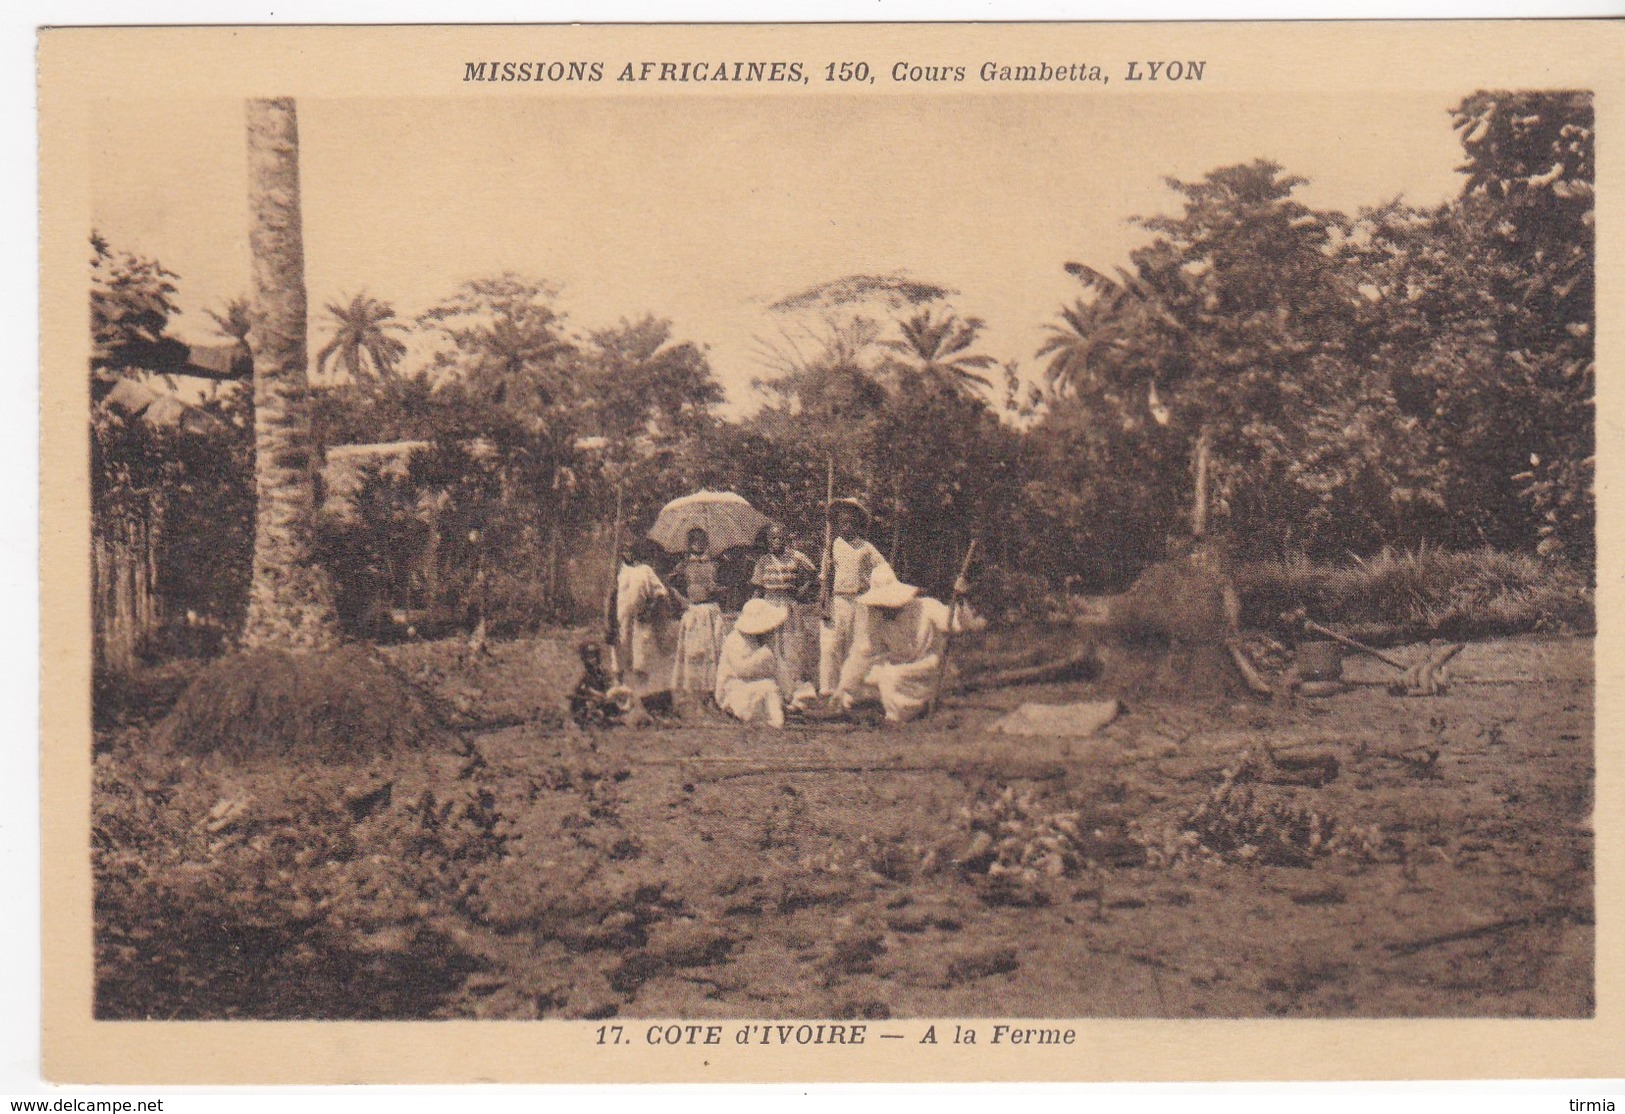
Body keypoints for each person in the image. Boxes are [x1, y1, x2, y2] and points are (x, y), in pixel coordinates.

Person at [834, 568, 981, 723]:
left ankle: (898, 717)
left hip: (926, 667)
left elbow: (956, 625)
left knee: (889, 676)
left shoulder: (926, 606)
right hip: (898, 667)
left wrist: (961, 598)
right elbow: (863, 653)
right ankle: (894, 704)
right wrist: (843, 688)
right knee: (867, 680)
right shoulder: (877, 619)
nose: (883, 609)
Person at [818, 499, 895, 694]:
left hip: (860, 600)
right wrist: (823, 600)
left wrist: (875, 584)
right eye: (843, 522)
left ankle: (851, 687)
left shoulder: (866, 548)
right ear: (837, 524)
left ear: (858, 525)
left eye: (851, 523)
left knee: (856, 644)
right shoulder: (833, 545)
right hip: (838, 600)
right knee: (832, 643)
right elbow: (825, 577)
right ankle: (828, 688)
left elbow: (883, 568)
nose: (847, 527)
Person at [751, 523, 819, 696]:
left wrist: (804, 587)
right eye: (772, 538)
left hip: (789, 604)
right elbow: (758, 588)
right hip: (769, 604)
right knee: (771, 644)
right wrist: (751, 608)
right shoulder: (763, 561)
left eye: (780, 537)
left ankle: (792, 686)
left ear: (785, 539)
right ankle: (773, 686)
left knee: (791, 645)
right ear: (768, 541)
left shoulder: (795, 557)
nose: (776, 541)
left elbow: (814, 572)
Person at [612, 538, 678, 712]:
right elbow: (610, 597)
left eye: (631, 549)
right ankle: (620, 700)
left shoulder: (645, 570)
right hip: (620, 621)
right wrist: (609, 622)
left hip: (640, 622)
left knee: (640, 660)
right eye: (625, 549)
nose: (628, 553)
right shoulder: (617, 570)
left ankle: (641, 698)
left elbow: (660, 593)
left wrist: (649, 608)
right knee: (619, 659)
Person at [714, 598, 794, 727]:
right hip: (735, 687)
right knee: (767, 687)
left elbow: (778, 666)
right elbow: (742, 670)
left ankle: (778, 713)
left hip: (756, 685)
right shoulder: (735, 641)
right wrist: (764, 656)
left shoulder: (764, 640)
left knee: (770, 687)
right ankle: (774, 721)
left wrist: (788, 692)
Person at [668, 527, 726, 702]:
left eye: (701, 541)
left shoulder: (715, 563)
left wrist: (717, 589)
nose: (698, 544)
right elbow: (670, 583)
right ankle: (695, 692)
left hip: (711, 610)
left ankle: (713, 691)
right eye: (694, 541)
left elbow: (725, 585)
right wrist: (682, 600)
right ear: (689, 544)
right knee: (695, 650)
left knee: (714, 650)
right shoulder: (684, 565)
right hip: (693, 611)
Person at [569, 641, 630, 728]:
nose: (592, 660)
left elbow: (608, 684)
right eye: (589, 657)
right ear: (584, 658)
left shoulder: (601, 672)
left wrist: (611, 690)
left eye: (594, 656)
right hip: (586, 701)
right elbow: (580, 691)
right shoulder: (583, 675)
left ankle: (610, 717)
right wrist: (591, 693)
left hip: (602, 700)